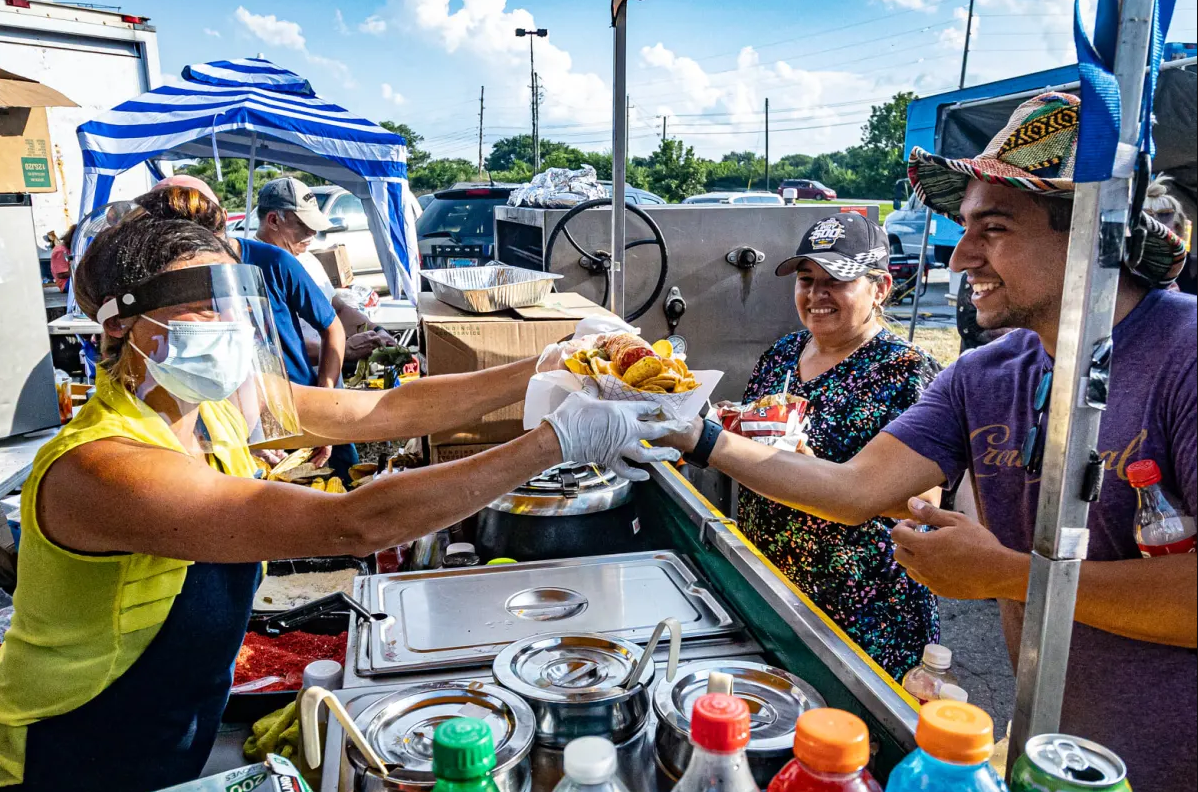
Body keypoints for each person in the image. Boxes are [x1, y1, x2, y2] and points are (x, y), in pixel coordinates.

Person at [0, 210, 683, 791]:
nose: (228, 330)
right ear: (122, 326)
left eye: (235, 308)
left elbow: (386, 407)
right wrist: (554, 442)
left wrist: (542, 366)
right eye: (204, 310)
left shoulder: (214, 412)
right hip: (68, 752)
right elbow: (354, 523)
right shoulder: (103, 467)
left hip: (173, 732)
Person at [663, 93, 1195, 790]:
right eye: (964, 226)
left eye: (994, 228)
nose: (960, 255)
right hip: (1051, 748)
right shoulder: (986, 373)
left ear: (1094, 231)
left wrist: (1008, 574)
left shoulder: (1183, 352)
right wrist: (690, 431)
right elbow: (852, 490)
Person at [734, 212, 941, 678]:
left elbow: (921, 504)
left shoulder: (906, 373)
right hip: (770, 590)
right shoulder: (782, 354)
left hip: (863, 614)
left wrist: (819, 470)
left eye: (836, 281)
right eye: (807, 280)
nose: (816, 295)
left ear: (881, 287)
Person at [146, 178, 345, 471]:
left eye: (199, 221)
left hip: (294, 411)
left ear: (221, 217)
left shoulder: (274, 261)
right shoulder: (165, 278)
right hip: (226, 428)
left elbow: (333, 328)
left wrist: (325, 404)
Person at [1143, 174, 1195, 295]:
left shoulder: (1192, 267)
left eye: (1164, 215)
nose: (1156, 222)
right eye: (1148, 217)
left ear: (1178, 227)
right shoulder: (1126, 263)